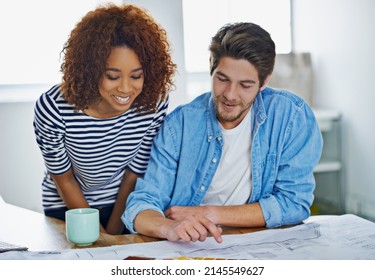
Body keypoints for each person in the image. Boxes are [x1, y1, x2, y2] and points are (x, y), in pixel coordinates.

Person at [122, 22, 323, 243]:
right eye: (222, 79)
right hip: (191, 247)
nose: (230, 95)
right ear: (211, 66)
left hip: (256, 242)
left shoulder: (291, 116)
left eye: (245, 85)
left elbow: (294, 204)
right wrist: (168, 227)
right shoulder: (179, 125)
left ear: (264, 81)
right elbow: (141, 205)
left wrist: (211, 213)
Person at [33, 4, 176, 235]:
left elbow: (134, 172)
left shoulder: (153, 103)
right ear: (90, 71)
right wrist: (99, 237)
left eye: (136, 76)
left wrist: (113, 232)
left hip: (121, 205)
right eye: (112, 76)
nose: (126, 88)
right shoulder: (53, 108)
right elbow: (64, 178)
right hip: (67, 207)